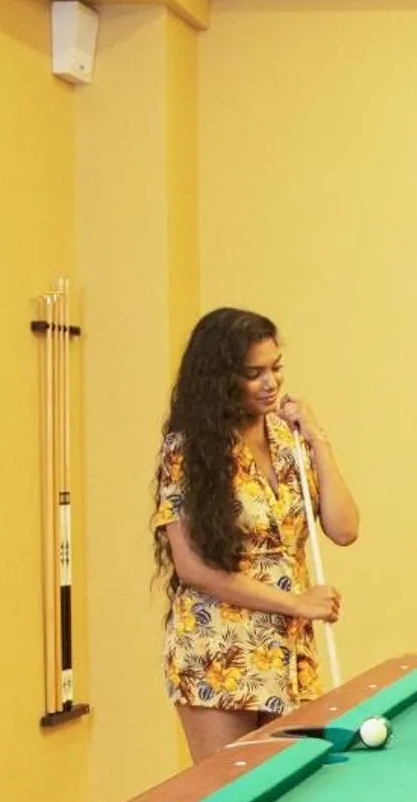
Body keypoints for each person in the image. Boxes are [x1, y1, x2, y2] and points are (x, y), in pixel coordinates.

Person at [153, 307, 361, 761]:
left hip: (287, 650)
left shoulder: (288, 438)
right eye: (254, 373)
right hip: (219, 650)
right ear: (220, 378)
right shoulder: (188, 450)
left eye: (276, 367)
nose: (271, 383)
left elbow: (344, 529)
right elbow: (193, 568)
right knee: (227, 795)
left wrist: (317, 439)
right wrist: (298, 604)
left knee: (288, 795)